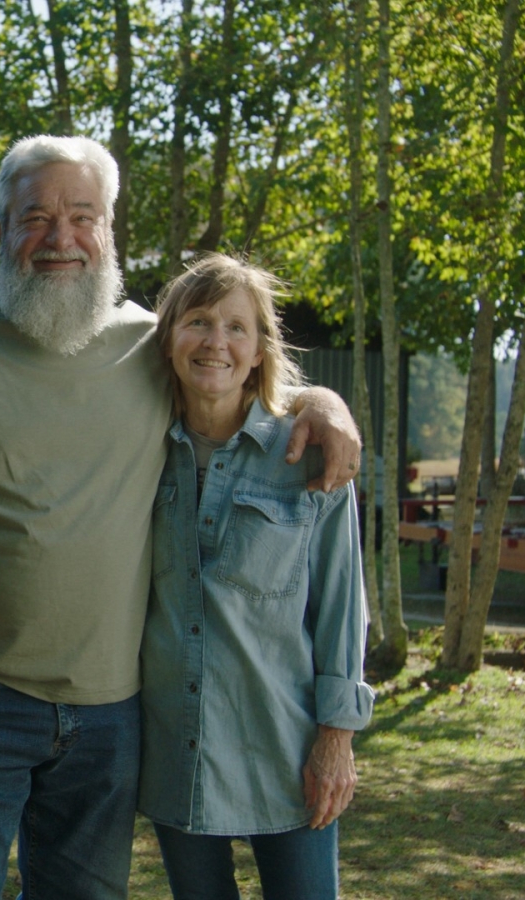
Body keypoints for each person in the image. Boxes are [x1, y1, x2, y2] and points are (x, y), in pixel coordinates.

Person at [0, 134, 362, 900]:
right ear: (2, 232)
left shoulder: (146, 347)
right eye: (36, 217)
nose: (61, 239)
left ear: (110, 231)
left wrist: (324, 404)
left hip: (112, 714)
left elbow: (233, 371)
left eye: (83, 216)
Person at [140, 253, 374, 900]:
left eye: (237, 327)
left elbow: (343, 610)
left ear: (260, 348)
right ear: (168, 339)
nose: (217, 341)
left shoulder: (310, 460)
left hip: (287, 752)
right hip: (175, 750)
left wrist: (337, 741)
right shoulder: (135, 452)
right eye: (198, 321)